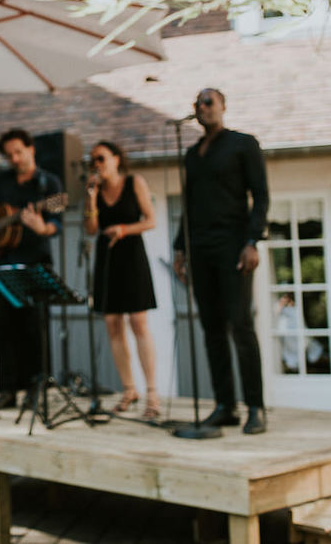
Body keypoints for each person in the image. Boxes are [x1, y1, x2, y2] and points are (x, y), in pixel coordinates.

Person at [173, 88, 270, 435]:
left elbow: (260, 195)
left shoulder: (243, 143)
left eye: (209, 101)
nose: (203, 107)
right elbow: (190, 203)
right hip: (200, 246)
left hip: (233, 244)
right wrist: (179, 249)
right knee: (211, 327)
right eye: (198, 103)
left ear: (223, 107)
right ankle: (225, 405)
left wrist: (252, 240)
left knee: (240, 324)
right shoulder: (191, 154)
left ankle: (255, 407)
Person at [0, 128, 63, 410]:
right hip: (0, 266)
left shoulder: (48, 184)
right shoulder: (0, 182)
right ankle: (7, 390)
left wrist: (41, 227)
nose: (14, 158)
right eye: (9, 155)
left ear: (31, 149)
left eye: (18, 152)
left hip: (34, 265)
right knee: (1, 328)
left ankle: (35, 388)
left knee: (34, 329)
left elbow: (57, 225)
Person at [83, 140, 160, 419]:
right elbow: (91, 228)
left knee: (138, 321)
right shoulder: (95, 190)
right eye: (93, 160)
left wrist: (124, 229)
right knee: (113, 323)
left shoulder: (134, 182)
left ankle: (152, 392)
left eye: (101, 158)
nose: (97, 164)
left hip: (131, 254)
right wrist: (91, 200)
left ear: (116, 159)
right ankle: (129, 389)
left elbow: (151, 220)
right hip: (107, 258)